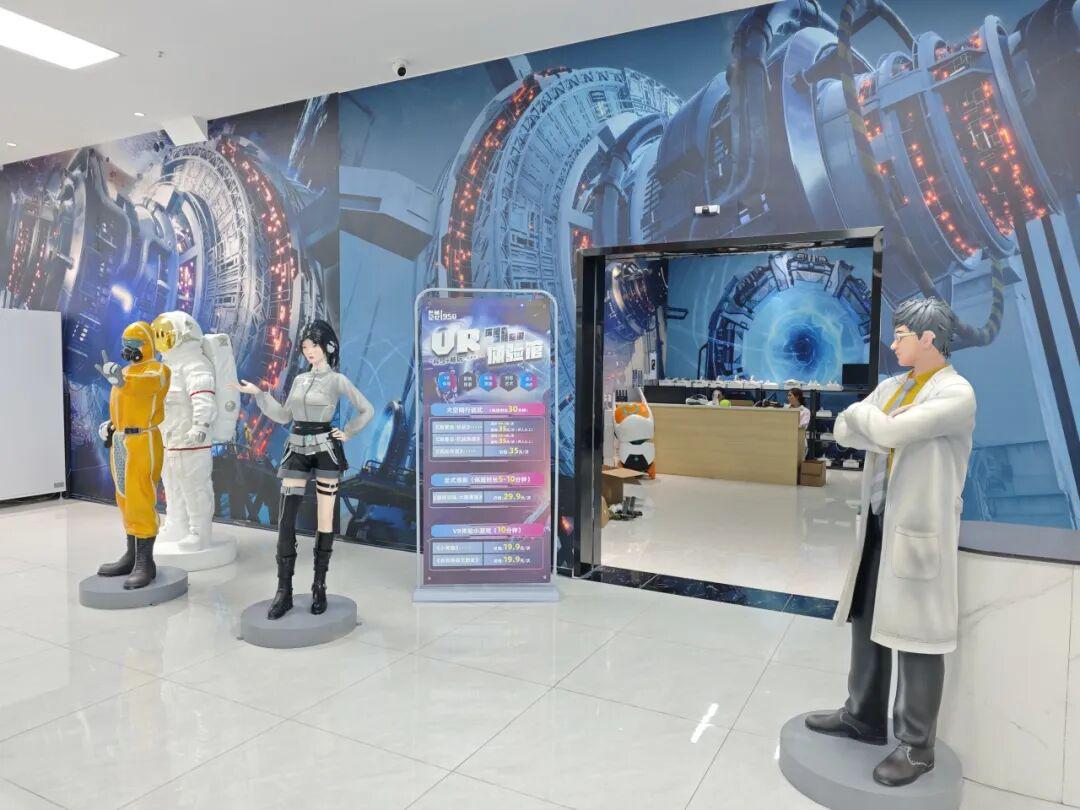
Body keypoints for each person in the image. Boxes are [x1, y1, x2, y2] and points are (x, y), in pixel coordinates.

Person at [803, 297, 976, 787]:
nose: (893, 343)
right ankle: (862, 715)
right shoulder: (893, 386)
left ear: (928, 338)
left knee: (919, 639)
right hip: (879, 522)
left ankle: (917, 746)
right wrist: (873, 423)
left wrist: (872, 422)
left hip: (919, 531)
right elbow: (844, 428)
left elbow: (888, 429)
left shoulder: (956, 393)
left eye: (901, 335)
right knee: (866, 621)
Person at [234, 320, 374, 619]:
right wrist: (259, 393)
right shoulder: (299, 380)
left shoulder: (337, 380)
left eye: (315, 345)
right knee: (286, 520)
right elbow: (285, 415)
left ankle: (319, 585)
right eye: (306, 346)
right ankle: (283, 590)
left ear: (328, 347)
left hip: (325, 450)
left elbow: (367, 410)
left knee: (325, 519)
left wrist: (348, 432)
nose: (309, 351)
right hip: (296, 448)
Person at [95, 322, 171, 589]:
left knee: (140, 496)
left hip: (143, 439)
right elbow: (124, 402)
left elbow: (145, 386)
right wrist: (111, 425)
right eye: (126, 343)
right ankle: (131, 555)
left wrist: (121, 380)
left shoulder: (158, 370)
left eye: (135, 343)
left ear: (148, 344)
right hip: (121, 440)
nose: (129, 348)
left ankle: (145, 563)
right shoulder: (125, 372)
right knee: (125, 497)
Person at [151, 312, 218, 554]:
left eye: (166, 334)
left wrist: (200, 426)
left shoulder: (195, 364)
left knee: (195, 487)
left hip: (191, 442)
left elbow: (203, 398)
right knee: (172, 486)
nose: (161, 340)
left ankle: (199, 532)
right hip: (170, 440)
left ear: (183, 334)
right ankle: (176, 524)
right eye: (159, 335)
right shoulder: (166, 367)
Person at [787, 387, 811, 459]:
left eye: (790, 395)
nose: (788, 397)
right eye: (788, 395)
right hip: (786, 440)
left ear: (797, 396)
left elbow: (802, 426)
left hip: (799, 441)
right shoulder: (785, 409)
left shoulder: (805, 411)